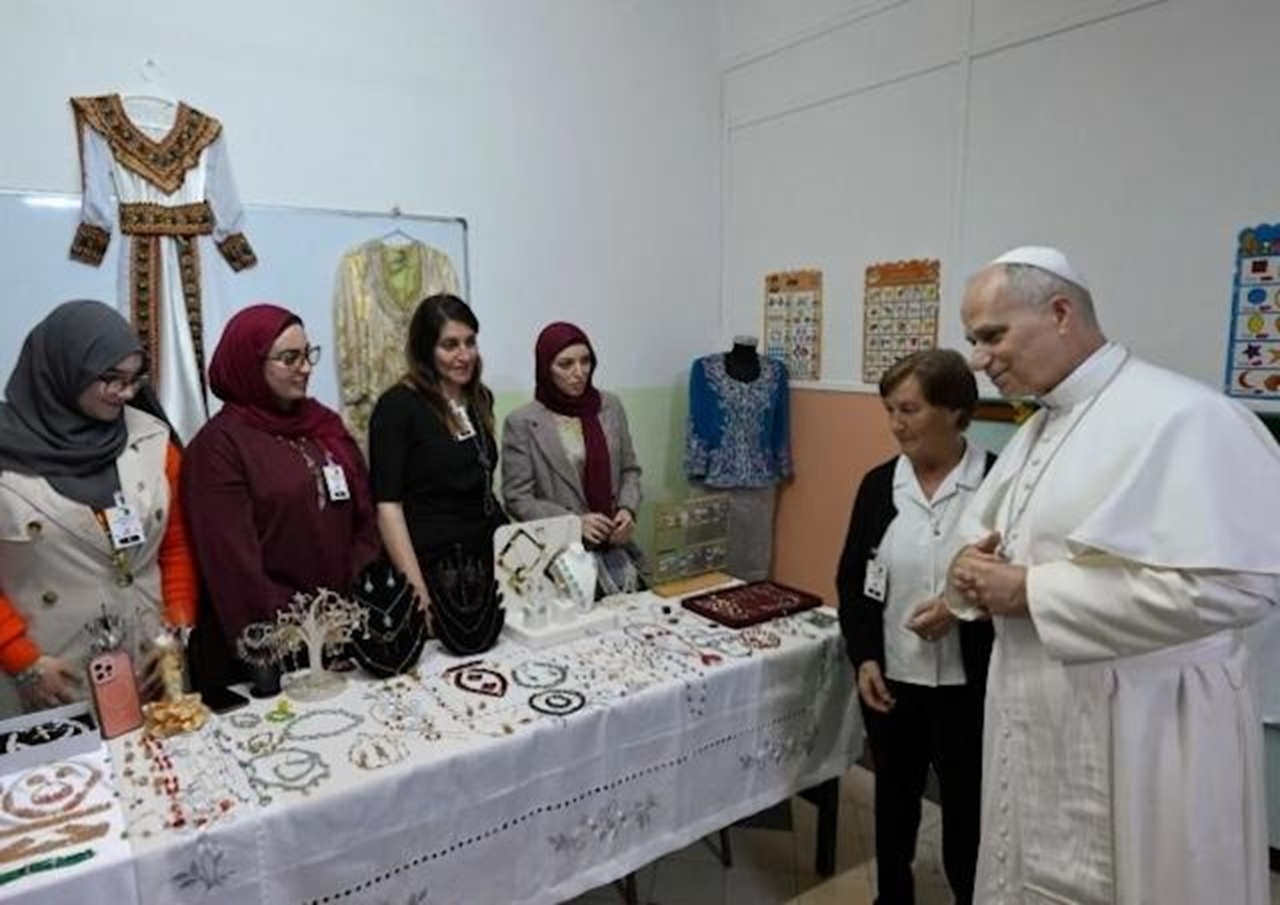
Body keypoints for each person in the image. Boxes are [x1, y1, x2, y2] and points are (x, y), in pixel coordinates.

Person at [948, 246, 1278, 904]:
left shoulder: (1185, 416)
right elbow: (996, 543)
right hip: (1034, 711)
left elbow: (1241, 586)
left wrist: (1033, 591)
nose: (980, 360)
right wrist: (968, 572)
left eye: (992, 336)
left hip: (1146, 729)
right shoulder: (1042, 424)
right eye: (973, 341)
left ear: (1060, 313)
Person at [837, 349, 994, 905]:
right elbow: (854, 582)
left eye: (909, 409)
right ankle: (893, 896)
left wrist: (960, 607)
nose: (896, 424)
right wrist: (866, 658)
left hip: (970, 689)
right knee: (894, 803)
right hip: (894, 682)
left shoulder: (996, 483)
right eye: (890, 410)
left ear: (955, 411)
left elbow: (1023, 580)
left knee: (968, 811)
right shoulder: (879, 485)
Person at [0, 300, 197, 714]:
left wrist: (177, 629)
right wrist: (20, 658)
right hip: (51, 673)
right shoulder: (6, 454)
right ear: (63, 369)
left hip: (152, 663)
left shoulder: (152, 440)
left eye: (134, 379)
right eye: (110, 379)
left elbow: (176, 548)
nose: (125, 393)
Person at [182, 304, 380, 676]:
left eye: (307, 355)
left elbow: (364, 518)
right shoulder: (219, 448)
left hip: (347, 629)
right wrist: (303, 632)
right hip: (277, 651)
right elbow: (235, 567)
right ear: (249, 363)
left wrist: (351, 605)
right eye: (289, 358)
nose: (305, 368)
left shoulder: (322, 425)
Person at [369, 295, 504, 616]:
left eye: (470, 342)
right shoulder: (398, 407)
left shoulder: (479, 399)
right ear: (425, 350)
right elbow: (388, 507)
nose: (464, 355)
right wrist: (418, 594)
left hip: (485, 561)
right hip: (434, 568)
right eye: (450, 345)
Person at [501, 322, 643, 595]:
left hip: (615, 549)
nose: (579, 372)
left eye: (585, 361)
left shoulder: (610, 406)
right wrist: (573, 523)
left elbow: (629, 469)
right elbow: (517, 498)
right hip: (560, 559)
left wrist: (627, 510)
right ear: (546, 368)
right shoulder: (523, 422)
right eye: (565, 364)